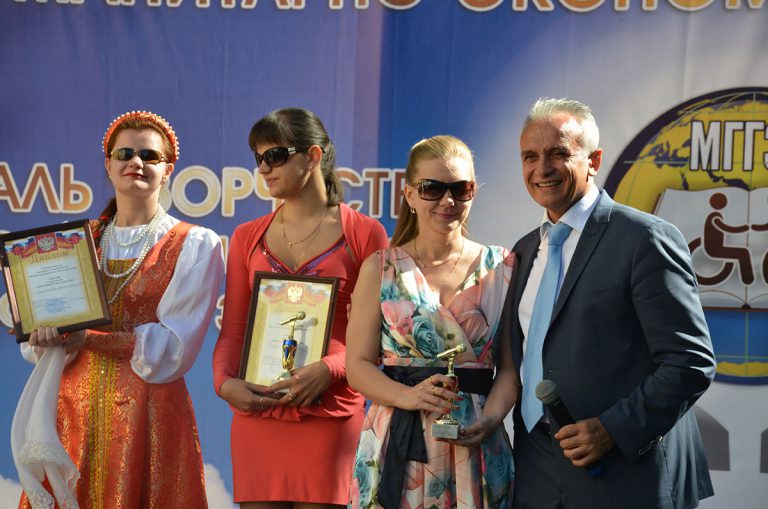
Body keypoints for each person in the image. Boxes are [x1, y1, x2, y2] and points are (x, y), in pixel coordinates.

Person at [502, 98, 716, 509]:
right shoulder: (525, 251)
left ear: (594, 160)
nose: (542, 169)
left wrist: (611, 430)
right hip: (536, 473)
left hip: (627, 475)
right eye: (530, 156)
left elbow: (689, 362)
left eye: (558, 153)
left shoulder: (643, 239)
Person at [16, 110, 225, 508]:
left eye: (149, 155)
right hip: (72, 409)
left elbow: (174, 348)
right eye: (125, 153)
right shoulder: (74, 242)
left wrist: (89, 339)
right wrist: (41, 333)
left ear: (168, 170)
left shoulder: (195, 243)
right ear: (108, 164)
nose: (136, 162)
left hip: (147, 413)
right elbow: (39, 331)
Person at [212, 107, 389, 508]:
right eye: (258, 157)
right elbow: (234, 329)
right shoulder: (245, 237)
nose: (263, 168)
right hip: (258, 415)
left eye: (275, 155)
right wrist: (223, 383)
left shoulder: (365, 234)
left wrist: (331, 369)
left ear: (312, 156)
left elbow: (380, 335)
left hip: (331, 413)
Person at [346, 135, 518, 509]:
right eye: (432, 189)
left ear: (473, 191)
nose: (447, 200)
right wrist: (407, 396)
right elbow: (357, 365)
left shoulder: (502, 266)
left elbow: (509, 368)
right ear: (409, 195)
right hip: (396, 439)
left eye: (460, 188)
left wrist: (490, 420)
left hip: (476, 441)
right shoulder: (381, 268)